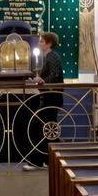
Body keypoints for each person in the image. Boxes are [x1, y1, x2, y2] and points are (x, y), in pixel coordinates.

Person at [25, 32, 64, 170]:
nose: (39, 43)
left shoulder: (53, 57)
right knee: (49, 130)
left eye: (41, 41)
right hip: (50, 97)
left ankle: (38, 161)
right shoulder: (49, 57)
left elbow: (55, 75)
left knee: (38, 127)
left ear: (49, 43)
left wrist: (42, 80)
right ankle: (51, 160)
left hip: (51, 98)